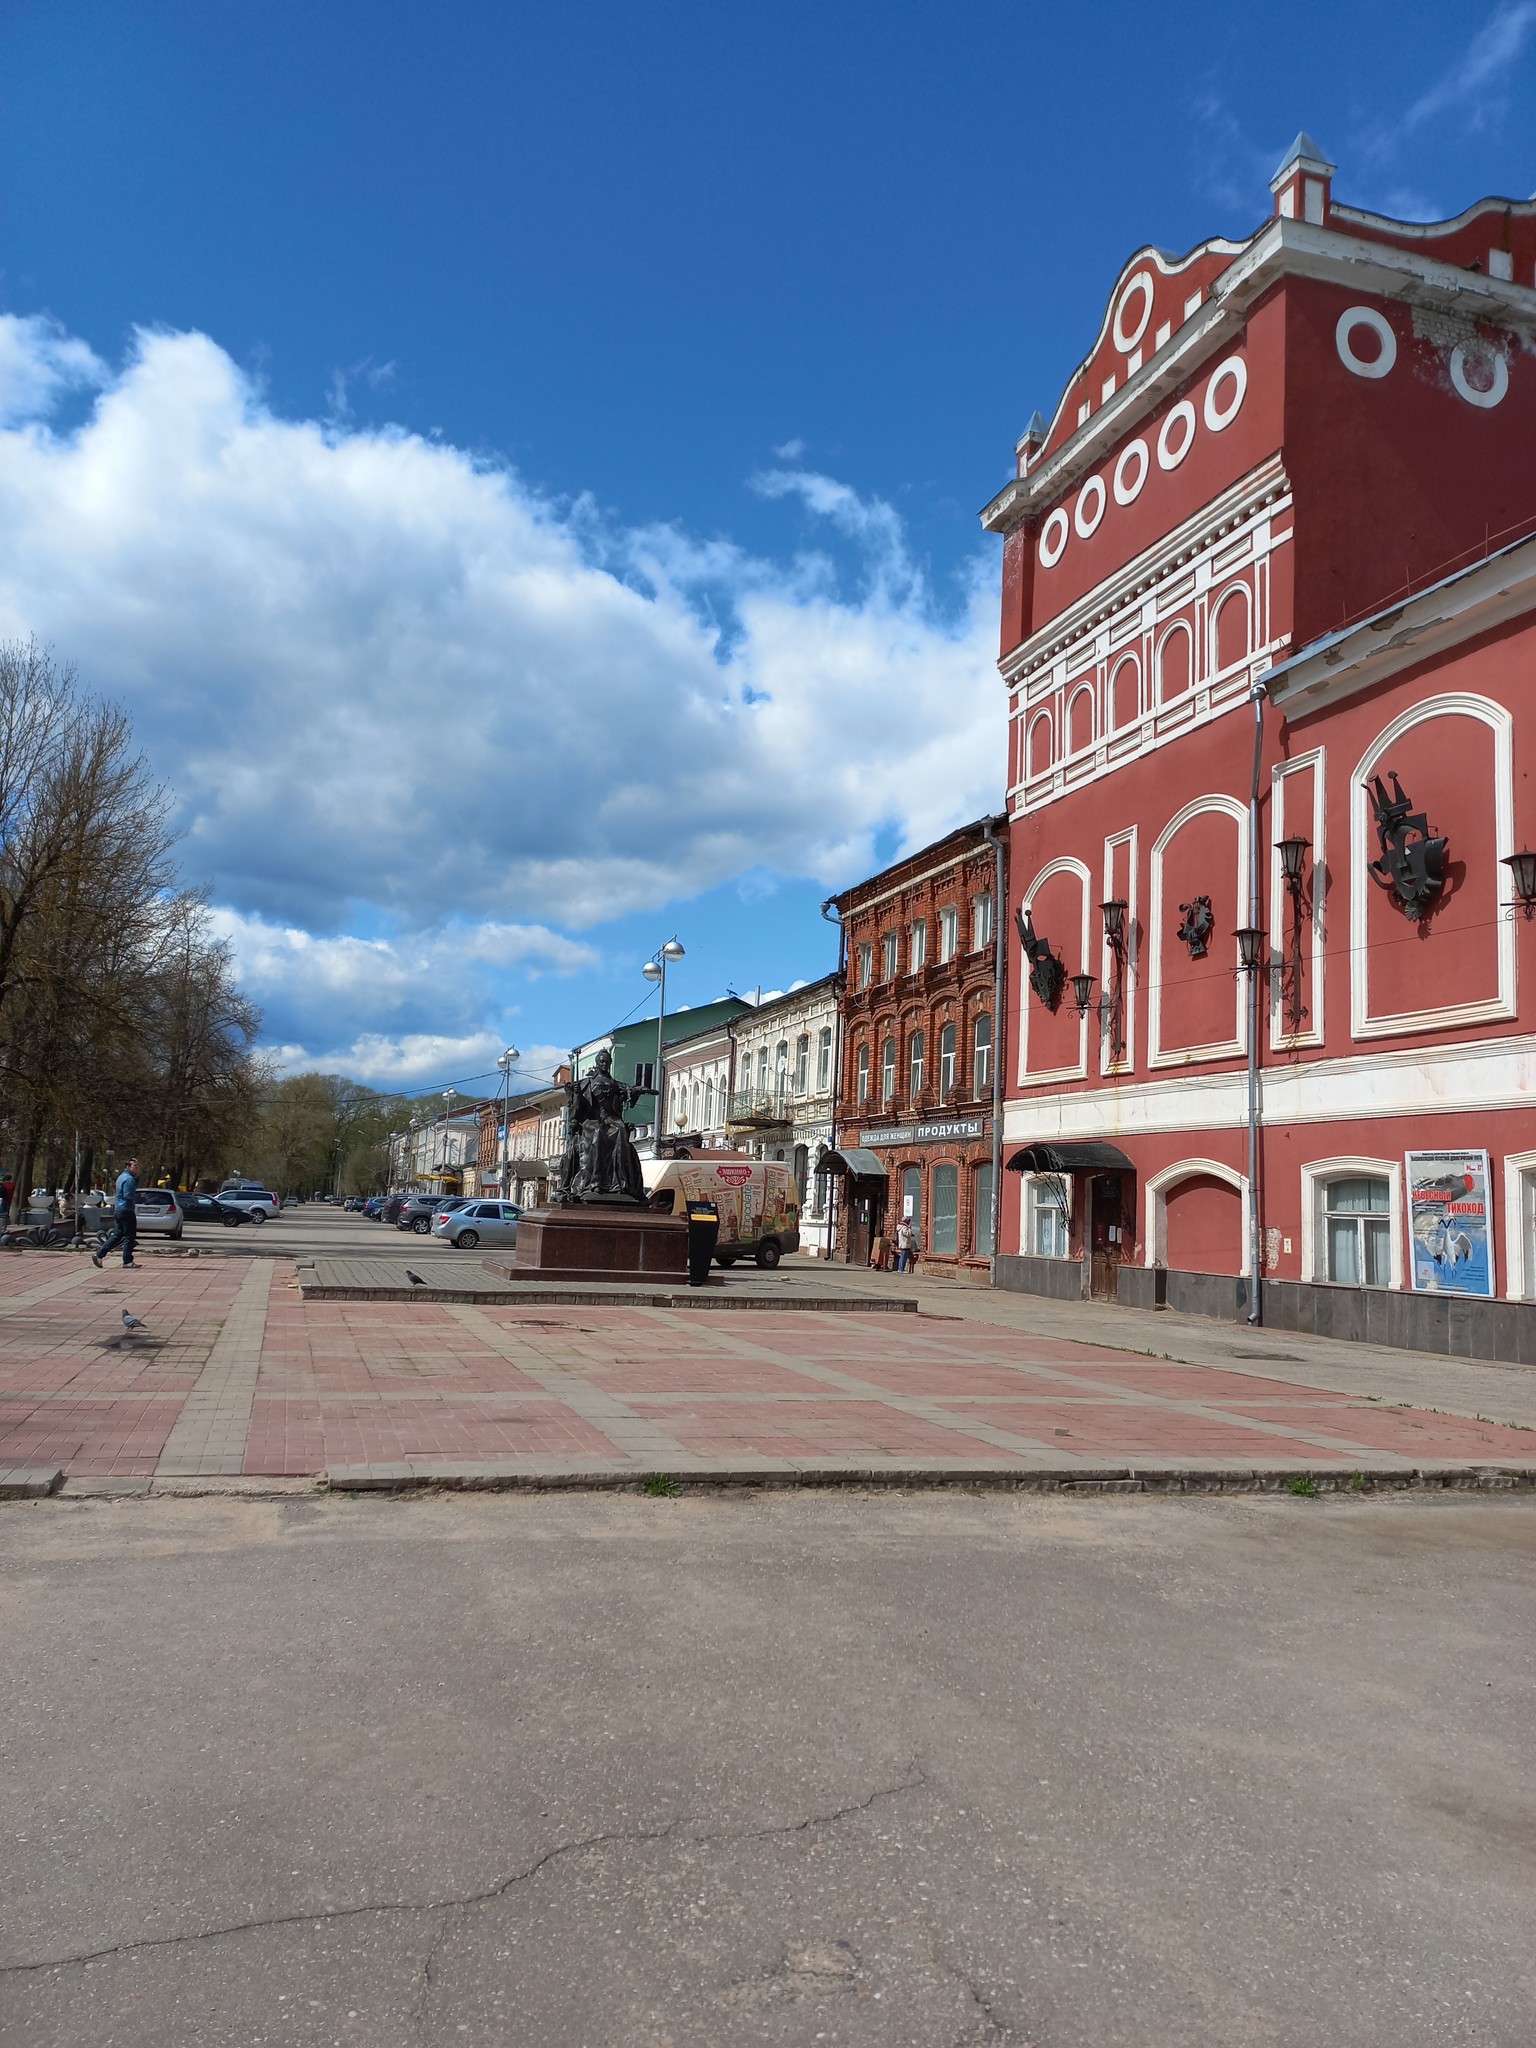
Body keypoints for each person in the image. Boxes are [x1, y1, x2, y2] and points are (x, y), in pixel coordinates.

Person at [93, 1157, 141, 1269]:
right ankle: (127, 1261)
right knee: (130, 1236)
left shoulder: (121, 1177)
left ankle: (99, 1254)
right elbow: (128, 1194)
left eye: (138, 1166)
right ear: (128, 1166)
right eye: (135, 1166)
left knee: (118, 1234)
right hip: (126, 1210)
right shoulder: (129, 1179)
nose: (137, 1168)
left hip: (119, 1209)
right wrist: (138, 1197)